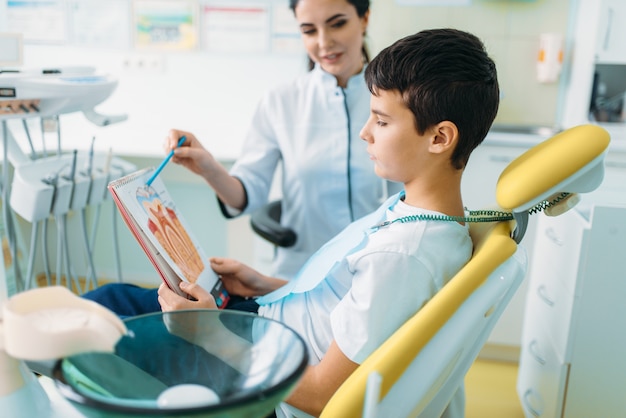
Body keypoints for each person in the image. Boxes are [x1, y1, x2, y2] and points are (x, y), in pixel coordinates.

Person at [93, 28, 500, 417]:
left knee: (87, 334)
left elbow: (324, 397)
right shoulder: (416, 216)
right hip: (264, 325)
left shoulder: (404, 254)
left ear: (440, 138)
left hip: (260, 372)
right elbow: (352, 306)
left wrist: (208, 333)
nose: (365, 133)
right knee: (110, 300)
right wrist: (266, 286)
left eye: (381, 120)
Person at [163, 0, 400, 280]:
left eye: (337, 23)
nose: (324, 42)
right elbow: (246, 195)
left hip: (378, 269)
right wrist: (208, 167)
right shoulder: (281, 101)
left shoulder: (397, 99)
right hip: (301, 274)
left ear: (364, 18)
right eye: (309, 30)